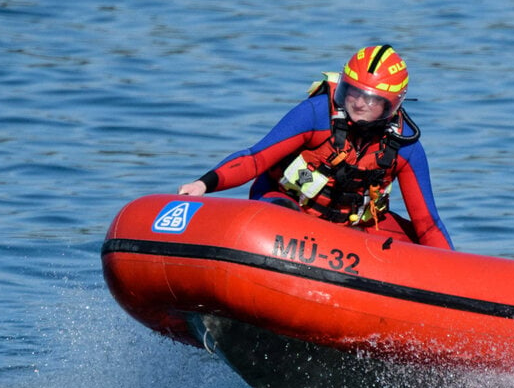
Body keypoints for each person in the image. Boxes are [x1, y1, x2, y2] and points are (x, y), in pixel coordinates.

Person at [178, 45, 454, 250]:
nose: (358, 104)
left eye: (371, 100)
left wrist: (454, 274)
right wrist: (203, 185)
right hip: (284, 205)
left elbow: (427, 222)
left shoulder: (405, 146)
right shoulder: (316, 114)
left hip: (350, 228)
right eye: (353, 93)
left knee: (418, 243)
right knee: (280, 216)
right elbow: (254, 159)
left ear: (391, 105)